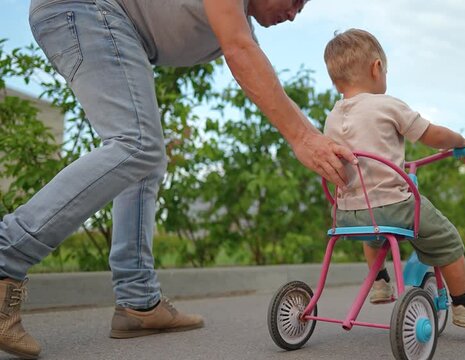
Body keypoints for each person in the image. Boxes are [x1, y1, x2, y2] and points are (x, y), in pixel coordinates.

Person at [0, 0, 357, 358]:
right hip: (84, 8)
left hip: (114, 24)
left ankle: (138, 303)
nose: (295, 13)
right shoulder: (235, 24)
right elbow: (240, 51)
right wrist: (302, 139)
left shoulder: (240, 24)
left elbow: (262, 77)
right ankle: (6, 255)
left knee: (145, 156)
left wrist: (315, 137)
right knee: (136, 144)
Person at [322, 29, 465, 324]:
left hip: (345, 213)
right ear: (376, 67)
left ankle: (380, 282)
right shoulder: (388, 105)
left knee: (374, 229)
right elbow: (431, 134)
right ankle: (464, 303)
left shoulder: (332, 116)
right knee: (446, 237)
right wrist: (460, 142)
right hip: (391, 206)